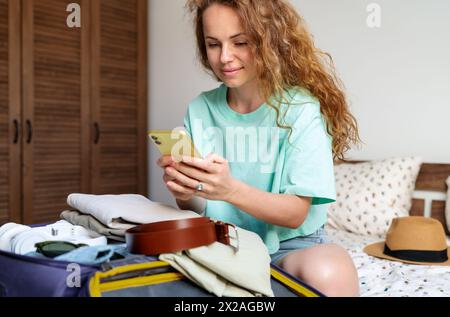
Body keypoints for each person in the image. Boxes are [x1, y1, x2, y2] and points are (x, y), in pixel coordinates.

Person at [157, 0, 361, 297]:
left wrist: (229, 190)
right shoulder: (200, 109)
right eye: (213, 44)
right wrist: (186, 192)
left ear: (270, 40)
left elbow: (295, 214)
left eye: (240, 42)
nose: (225, 57)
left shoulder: (301, 109)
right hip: (220, 243)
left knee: (332, 270)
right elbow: (197, 206)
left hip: (290, 246)